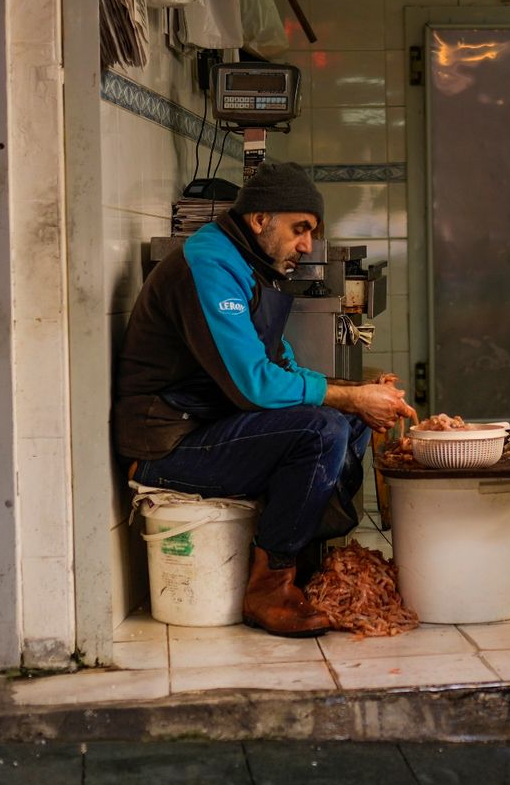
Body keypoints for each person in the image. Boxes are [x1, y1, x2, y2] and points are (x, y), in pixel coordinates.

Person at [113, 162, 416, 637]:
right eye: (300, 229)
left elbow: (280, 364)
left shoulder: (253, 264)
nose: (306, 245)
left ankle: (313, 558)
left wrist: (356, 394)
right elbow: (254, 385)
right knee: (323, 430)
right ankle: (269, 587)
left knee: (345, 419)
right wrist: (347, 401)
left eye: (311, 233)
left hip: (208, 425)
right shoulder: (210, 265)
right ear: (260, 220)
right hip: (166, 443)